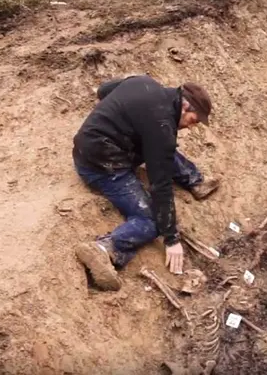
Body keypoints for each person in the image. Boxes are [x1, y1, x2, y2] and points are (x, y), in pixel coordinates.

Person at [72, 75, 220, 291]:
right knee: (151, 220)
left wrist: (120, 120)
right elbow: (160, 186)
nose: (190, 127)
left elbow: (104, 90)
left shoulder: (145, 83)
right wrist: (170, 238)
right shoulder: (161, 127)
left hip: (89, 144)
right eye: (193, 120)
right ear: (185, 105)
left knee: (161, 146)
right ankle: (105, 249)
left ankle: (195, 181)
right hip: (101, 166)